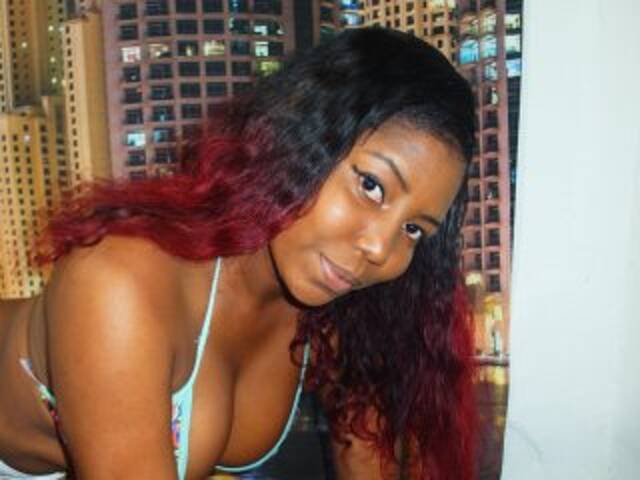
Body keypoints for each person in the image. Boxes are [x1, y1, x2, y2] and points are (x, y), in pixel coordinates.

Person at [0, 27, 477, 479]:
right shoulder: (119, 279)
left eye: (413, 229)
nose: (379, 248)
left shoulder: (336, 314)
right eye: (371, 185)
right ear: (296, 141)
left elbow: (369, 458)